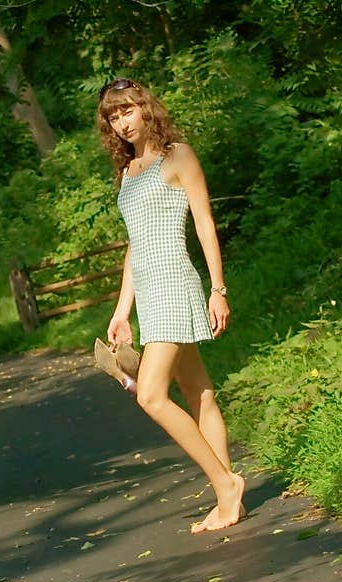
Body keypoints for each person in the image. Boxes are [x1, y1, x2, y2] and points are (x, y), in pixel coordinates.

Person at [96, 77, 245, 533]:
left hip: (176, 284)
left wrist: (217, 289)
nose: (121, 122)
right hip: (149, 294)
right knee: (198, 392)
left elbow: (204, 222)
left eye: (127, 111)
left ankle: (225, 484)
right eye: (113, 116)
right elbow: (134, 246)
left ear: (145, 108)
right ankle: (227, 501)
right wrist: (122, 310)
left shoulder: (177, 155)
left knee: (151, 395)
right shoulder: (127, 172)